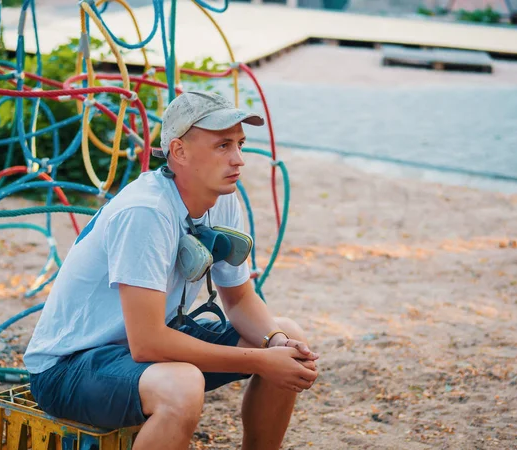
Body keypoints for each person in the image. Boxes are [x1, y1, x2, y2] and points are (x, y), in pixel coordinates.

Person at [23, 91, 319, 450]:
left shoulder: (223, 198)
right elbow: (148, 343)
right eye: (223, 146)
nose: (238, 159)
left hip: (135, 351)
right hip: (68, 368)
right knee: (182, 386)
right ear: (178, 151)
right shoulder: (146, 212)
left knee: (286, 333)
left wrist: (276, 345)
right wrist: (262, 360)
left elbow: (239, 300)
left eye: (240, 144)